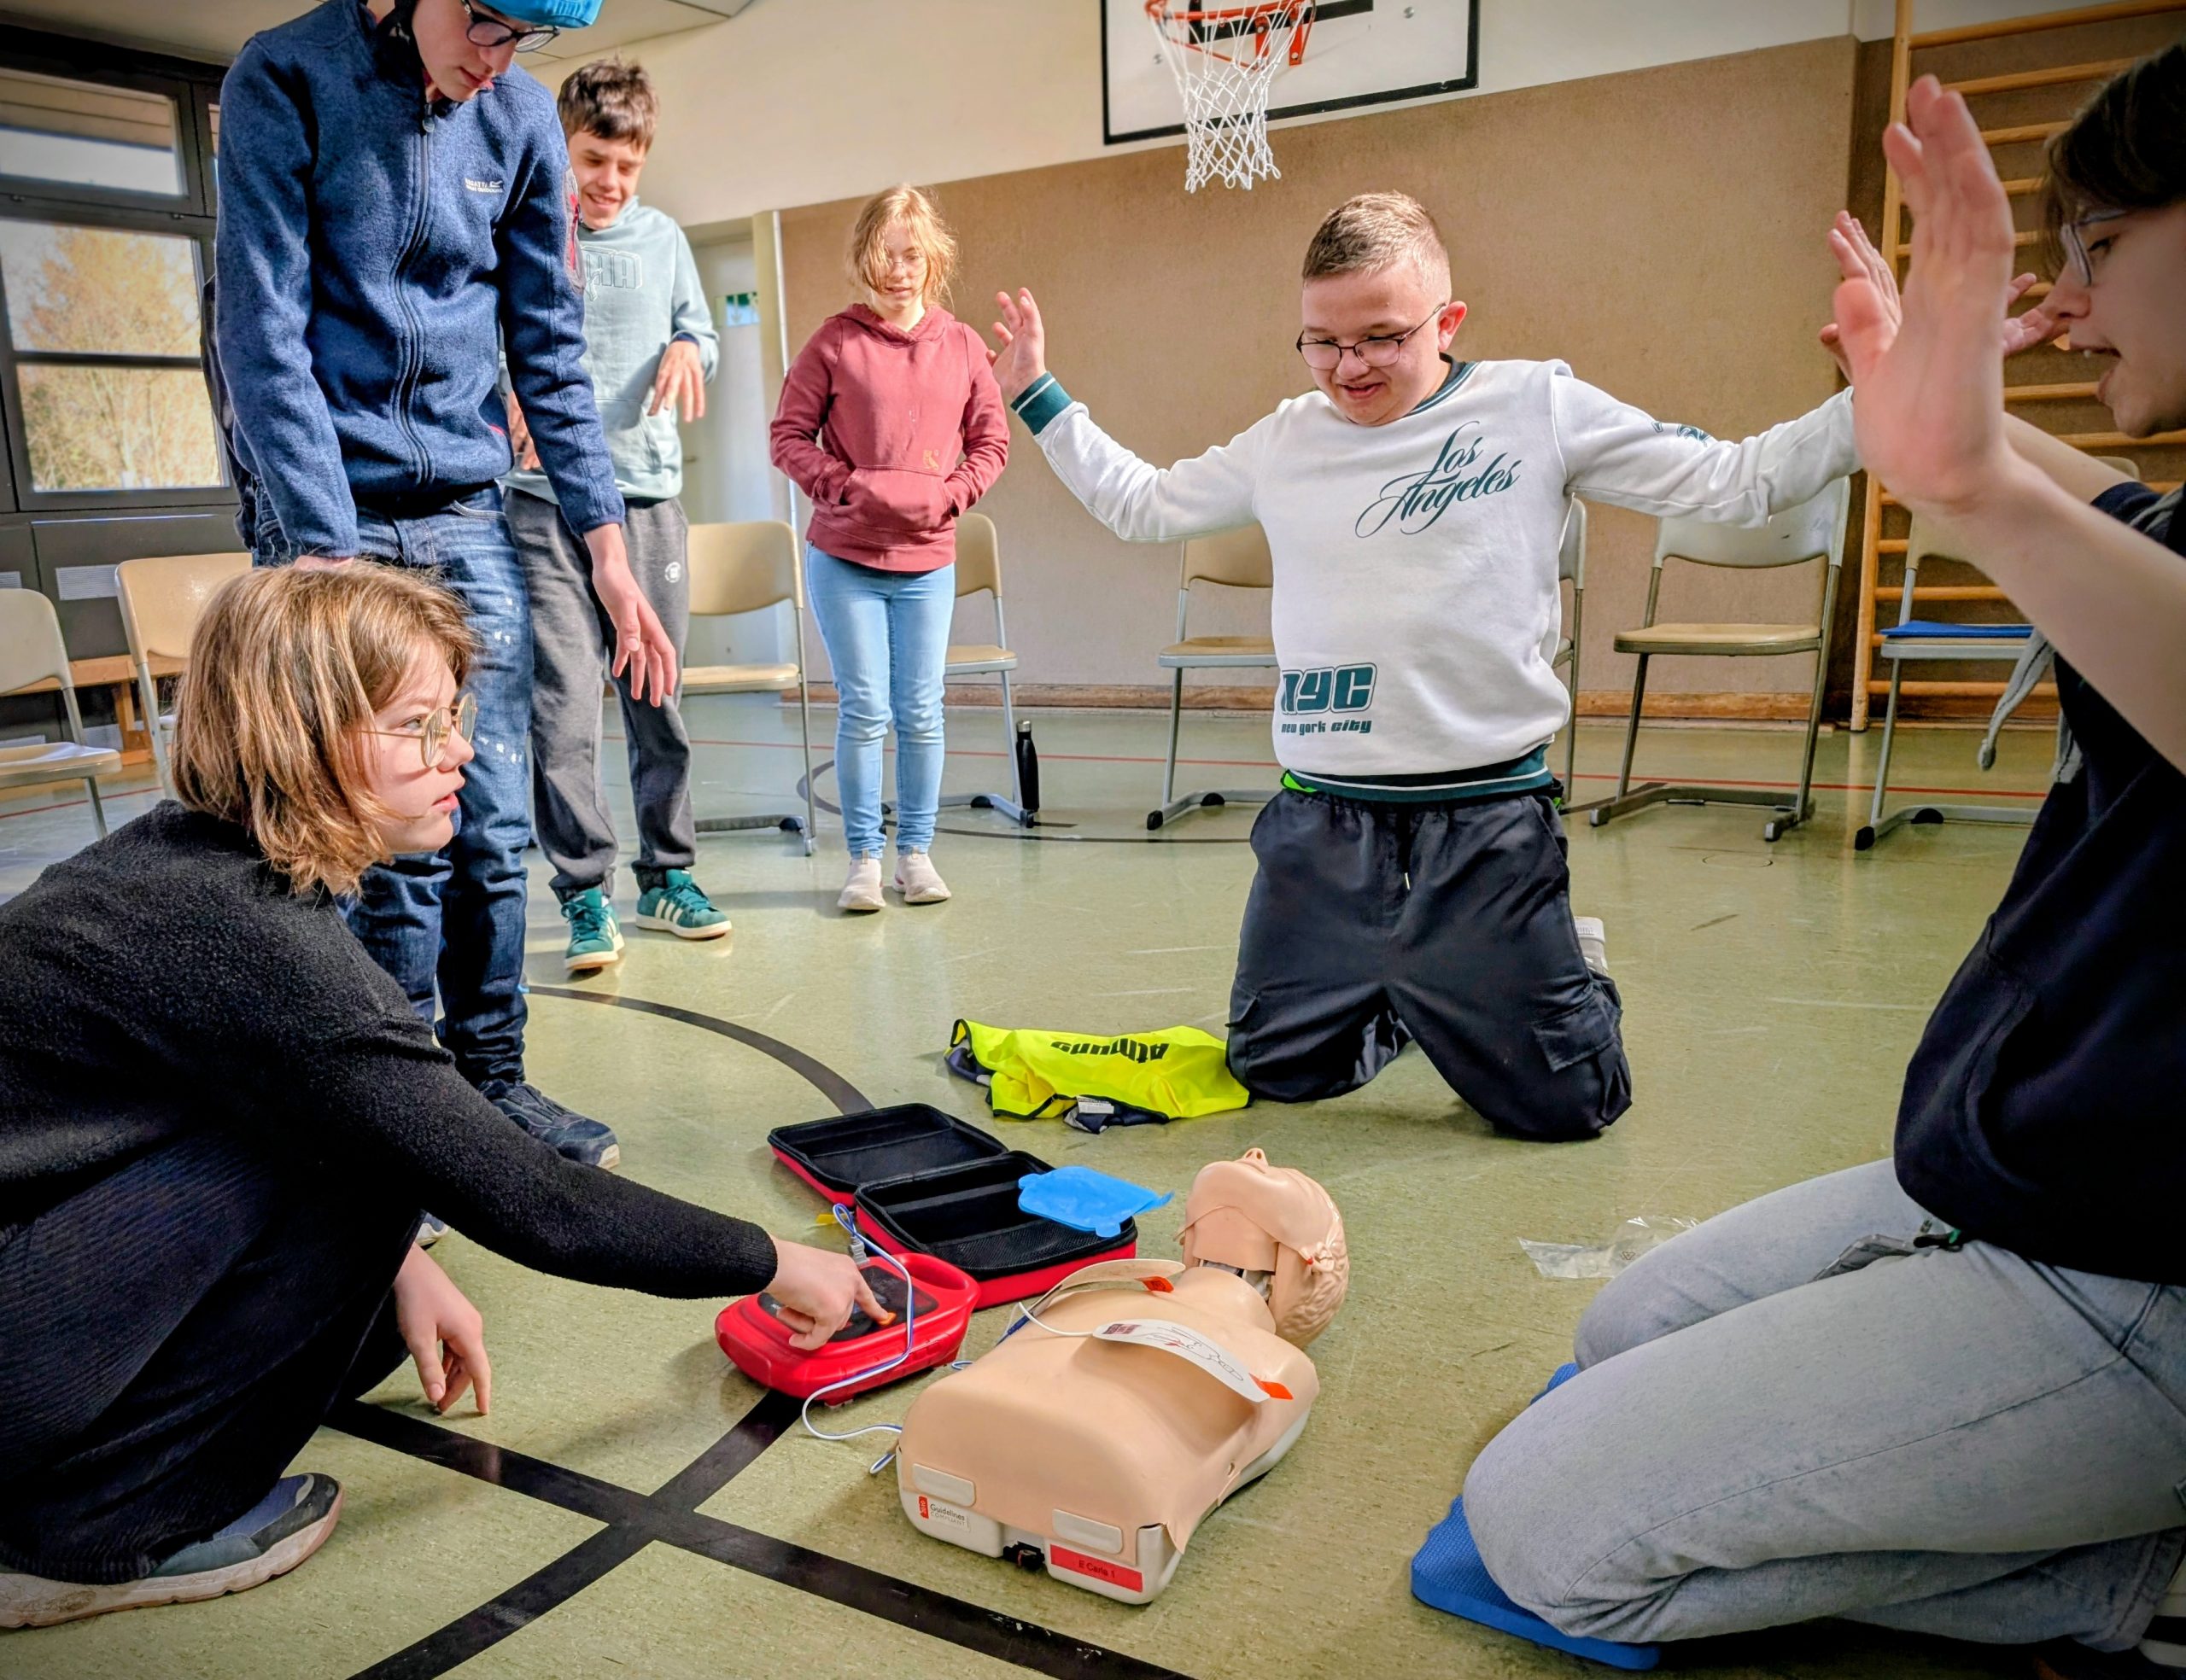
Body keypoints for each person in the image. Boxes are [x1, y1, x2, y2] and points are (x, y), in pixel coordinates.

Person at [1460, 51, 2186, 1676]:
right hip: (2024, 1175)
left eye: (2099, 244)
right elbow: (2143, 531)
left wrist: (1975, 474)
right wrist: (1933, 420)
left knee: (1552, 1529)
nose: (2071, 296)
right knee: (1620, 1328)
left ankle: (2113, 1579)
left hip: (2141, 1276)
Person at [0, 566, 881, 1630]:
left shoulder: (182, 863)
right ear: (302, 735)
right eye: (418, 725)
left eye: (453, 715)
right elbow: (537, 1203)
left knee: (369, 1255)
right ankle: (92, 1533)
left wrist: (402, 1263)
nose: (458, 749)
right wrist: (780, 1262)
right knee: (389, 1160)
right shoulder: (243, 936)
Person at [986, 192, 1859, 1141]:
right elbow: (1141, 504)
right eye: (1321, 341)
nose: (1348, 367)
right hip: (1323, 821)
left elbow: (1737, 482)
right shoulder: (1287, 439)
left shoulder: (1536, 407)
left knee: (1569, 1108)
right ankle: (1418, 993)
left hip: (1482, 822)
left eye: (1380, 338)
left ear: (1447, 323)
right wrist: (1038, 392)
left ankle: (1568, 966)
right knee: (1278, 1071)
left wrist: (1877, 397)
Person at [213, 0, 679, 1172]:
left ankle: (492, 1089)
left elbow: (548, 350)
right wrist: (325, 555)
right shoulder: (289, 80)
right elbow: (263, 330)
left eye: (523, 39)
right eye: (483, 23)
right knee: (386, 838)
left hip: (470, 511)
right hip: (333, 515)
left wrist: (606, 548)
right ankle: (398, 1124)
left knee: (488, 823)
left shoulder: (518, 116)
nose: (495, 59)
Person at [502, 56, 730, 975]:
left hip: (647, 501)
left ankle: (669, 875)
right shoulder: (524, 233)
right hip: (542, 505)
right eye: (594, 160)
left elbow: (704, 335)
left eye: (627, 166)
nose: (609, 182)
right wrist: (500, 393)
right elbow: (487, 339)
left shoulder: (665, 238)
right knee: (563, 709)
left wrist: (688, 349)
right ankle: (584, 892)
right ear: (562, 147)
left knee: (655, 698)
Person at [769, 185, 1009, 913]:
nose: (899, 270)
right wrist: (841, 488)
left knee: (922, 709)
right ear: (863, 259)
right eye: (884, 255)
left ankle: (918, 855)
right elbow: (787, 437)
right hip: (844, 560)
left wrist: (952, 496)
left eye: (911, 255)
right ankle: (865, 861)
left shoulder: (964, 345)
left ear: (933, 258)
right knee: (866, 709)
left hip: (928, 560)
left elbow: (991, 443)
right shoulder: (835, 341)